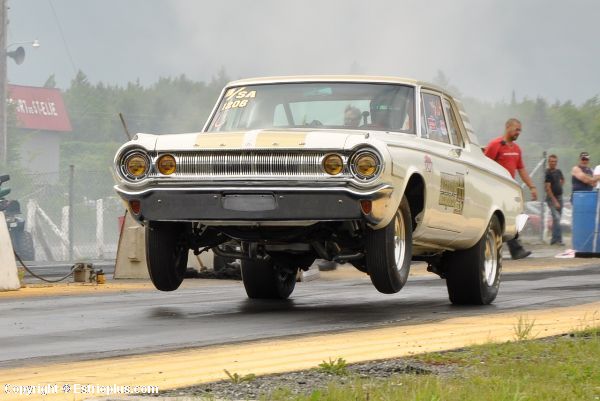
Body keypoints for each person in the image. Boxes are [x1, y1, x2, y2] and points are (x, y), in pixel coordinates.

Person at [485, 118, 537, 260]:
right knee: (501, 218)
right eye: (516, 129)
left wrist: (532, 186)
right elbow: (484, 164)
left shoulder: (516, 149)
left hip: (509, 190)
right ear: (507, 127)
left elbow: (522, 170)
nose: (518, 132)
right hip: (496, 189)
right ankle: (512, 249)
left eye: (520, 130)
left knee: (514, 217)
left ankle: (515, 250)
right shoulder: (495, 145)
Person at [544, 154, 565, 245]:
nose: (553, 163)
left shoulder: (558, 171)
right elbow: (547, 188)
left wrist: (559, 185)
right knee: (557, 217)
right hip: (551, 198)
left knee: (557, 219)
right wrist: (554, 201)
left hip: (560, 197)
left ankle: (553, 239)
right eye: (551, 161)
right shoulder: (547, 173)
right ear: (549, 162)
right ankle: (559, 240)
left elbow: (563, 179)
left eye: (555, 161)